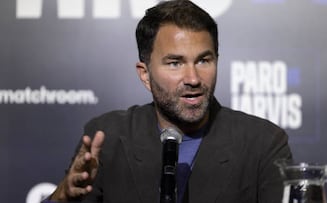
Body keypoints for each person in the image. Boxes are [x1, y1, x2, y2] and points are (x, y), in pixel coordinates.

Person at [45, 0, 292, 202]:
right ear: (145, 74)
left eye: (204, 60)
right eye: (175, 63)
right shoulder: (109, 138)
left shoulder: (264, 144)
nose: (193, 78)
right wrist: (63, 196)